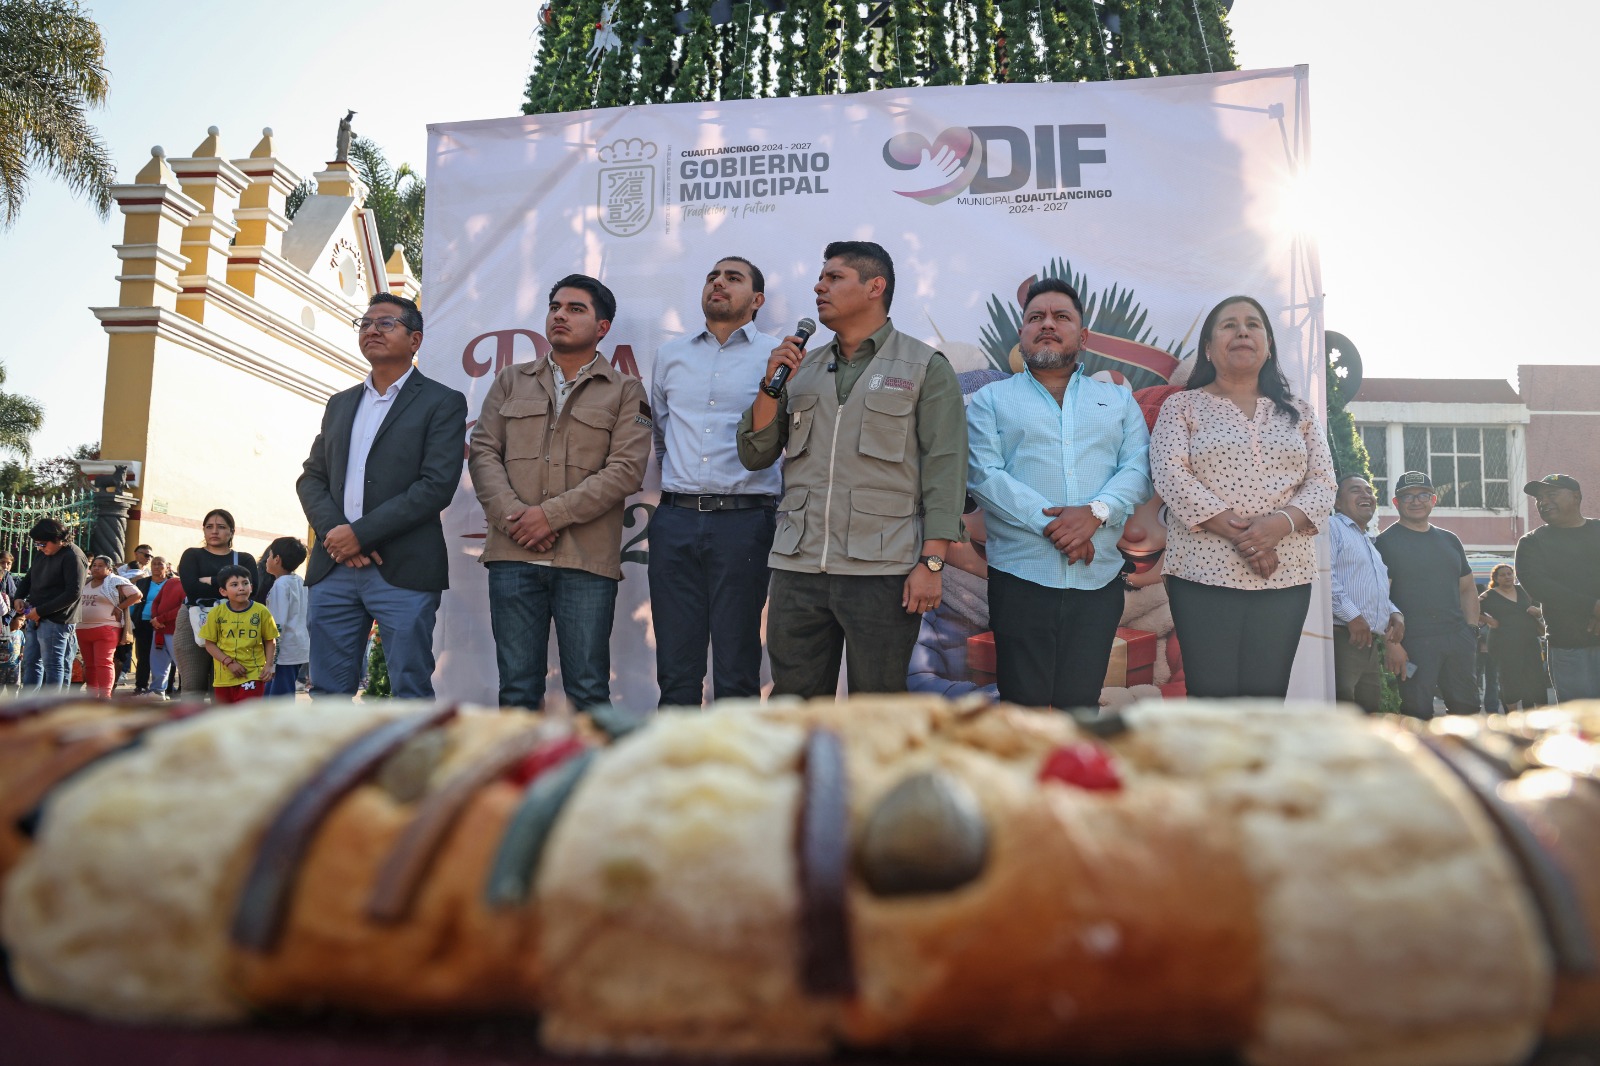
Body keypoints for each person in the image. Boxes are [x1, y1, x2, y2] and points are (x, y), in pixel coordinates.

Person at [737, 240, 967, 698]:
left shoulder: (924, 366)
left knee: (876, 710)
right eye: (821, 278)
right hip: (798, 566)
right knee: (794, 708)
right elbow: (755, 453)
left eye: (834, 277)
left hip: (882, 570)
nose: (819, 287)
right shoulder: (801, 367)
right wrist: (770, 383)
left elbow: (946, 468)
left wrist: (933, 562)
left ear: (874, 287)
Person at [966, 278, 1151, 709]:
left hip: (1098, 579)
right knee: (1022, 711)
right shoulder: (992, 399)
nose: (1047, 324)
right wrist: (1059, 526)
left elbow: (1138, 468)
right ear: (1022, 333)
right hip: (1020, 579)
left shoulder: (1118, 399)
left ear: (1082, 336)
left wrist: (1096, 512)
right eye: (1036, 318)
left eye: (1061, 317)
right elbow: (984, 474)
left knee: (1080, 709)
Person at [469, 274, 649, 711]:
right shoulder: (511, 380)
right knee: (516, 690)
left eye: (575, 308)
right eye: (555, 307)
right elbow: (482, 452)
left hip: (585, 561)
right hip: (513, 556)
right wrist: (517, 517)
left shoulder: (625, 390)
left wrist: (549, 516)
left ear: (603, 327)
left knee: (588, 689)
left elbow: (625, 471)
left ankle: (594, 780)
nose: (560, 316)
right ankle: (519, 780)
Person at [1149, 295, 1335, 700]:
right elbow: (1170, 473)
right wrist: (1249, 537)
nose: (1242, 331)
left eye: (1253, 324)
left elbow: (1324, 484)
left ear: (1268, 346)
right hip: (1202, 575)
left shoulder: (1299, 413)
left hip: (1283, 575)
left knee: (1264, 702)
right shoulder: (1183, 406)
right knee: (1212, 700)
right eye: (1228, 325)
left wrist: (1277, 526)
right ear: (1208, 348)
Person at [297, 292, 469, 699]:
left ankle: (410, 764)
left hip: (403, 567)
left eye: (386, 322)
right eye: (365, 323)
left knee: (409, 687)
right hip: (333, 565)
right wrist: (336, 534)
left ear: (415, 340)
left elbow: (436, 485)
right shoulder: (339, 404)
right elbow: (310, 479)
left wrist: (361, 534)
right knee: (326, 690)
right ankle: (341, 765)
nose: (372, 329)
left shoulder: (441, 402)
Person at [647, 257, 783, 707]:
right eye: (712, 277)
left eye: (733, 278)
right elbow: (663, 435)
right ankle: (674, 773)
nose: (718, 283)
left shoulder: (778, 356)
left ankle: (735, 773)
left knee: (737, 666)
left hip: (744, 522)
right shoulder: (671, 355)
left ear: (757, 299)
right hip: (675, 519)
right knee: (676, 667)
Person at [1374, 471, 1481, 716]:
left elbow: (1467, 588)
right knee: (1417, 714)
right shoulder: (1385, 543)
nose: (1416, 501)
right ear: (1396, 503)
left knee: (1467, 711)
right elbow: (1381, 598)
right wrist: (1392, 644)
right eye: (1407, 496)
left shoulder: (1450, 540)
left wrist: (1471, 630)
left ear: (1433, 500)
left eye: (1423, 495)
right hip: (1413, 643)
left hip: (1457, 638)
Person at [1516, 473, 1600, 701]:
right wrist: (1592, 607)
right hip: (1569, 646)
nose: (1543, 502)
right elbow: (1540, 586)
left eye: (1551, 494)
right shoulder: (1532, 542)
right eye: (1539, 498)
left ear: (1576, 496)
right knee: (1580, 725)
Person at [1327, 474, 1407, 713]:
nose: (1366, 495)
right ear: (1338, 503)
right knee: (1343, 718)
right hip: (1343, 638)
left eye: (1369, 490)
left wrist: (1395, 613)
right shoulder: (1332, 528)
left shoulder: (1368, 541)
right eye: (1355, 490)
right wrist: (1352, 616)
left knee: (1368, 716)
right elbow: (1323, 577)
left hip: (1369, 643)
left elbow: (1377, 590)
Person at [174, 509, 259, 698]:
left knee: (225, 683)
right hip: (193, 620)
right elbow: (192, 589)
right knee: (192, 684)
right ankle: (191, 726)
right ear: (203, 530)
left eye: (221, 527)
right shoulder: (192, 555)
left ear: (231, 531)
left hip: (234, 623)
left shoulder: (244, 558)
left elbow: (251, 591)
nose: (214, 531)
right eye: (209, 527)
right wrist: (231, 586)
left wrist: (210, 580)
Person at [14, 519, 89, 690]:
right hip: (35, 615)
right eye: (37, 544)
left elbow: (73, 593)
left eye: (42, 543)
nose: (39, 547)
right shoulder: (43, 553)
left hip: (57, 620)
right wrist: (18, 597)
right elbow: (29, 578)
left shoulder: (73, 556)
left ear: (58, 539)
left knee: (54, 666)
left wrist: (40, 611)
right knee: (31, 663)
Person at [198, 564, 278, 704]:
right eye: (234, 584)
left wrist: (269, 665)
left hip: (253, 674)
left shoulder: (261, 611)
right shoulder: (216, 613)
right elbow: (209, 644)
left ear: (251, 587)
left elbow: (270, 640)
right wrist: (229, 663)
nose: (241, 588)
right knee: (227, 720)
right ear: (223, 591)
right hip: (224, 678)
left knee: (248, 717)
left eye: (245, 583)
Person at [1478, 564, 1547, 710]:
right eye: (1502, 575)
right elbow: (1470, 608)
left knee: (1536, 679)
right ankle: (1512, 716)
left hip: (1529, 640)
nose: (1507, 576)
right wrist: (1489, 620)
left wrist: (1538, 612)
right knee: (1510, 679)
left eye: (1509, 573)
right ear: (1496, 578)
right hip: (1504, 643)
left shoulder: (1523, 590)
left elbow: (1541, 609)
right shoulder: (1489, 595)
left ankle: (1539, 717)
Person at [76, 555, 141, 698]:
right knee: (89, 664)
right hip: (83, 629)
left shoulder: (116, 581)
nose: (96, 568)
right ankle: (92, 695)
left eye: (100, 565)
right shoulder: (85, 582)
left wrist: (120, 607)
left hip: (106, 628)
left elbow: (137, 595)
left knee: (103, 662)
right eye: (94, 565)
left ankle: (105, 696)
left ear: (109, 569)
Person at [262, 537, 309, 697]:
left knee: (279, 697)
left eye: (269, 556)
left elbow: (276, 624)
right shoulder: (300, 581)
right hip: (296, 648)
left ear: (276, 559)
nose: (266, 560)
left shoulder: (281, 585)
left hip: (283, 653)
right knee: (275, 692)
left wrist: (271, 660)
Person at [146, 560, 185, 698]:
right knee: (158, 663)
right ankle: (157, 691)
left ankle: (189, 694)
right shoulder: (171, 582)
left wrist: (160, 619)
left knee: (182, 664)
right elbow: (156, 601)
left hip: (177, 630)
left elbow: (183, 608)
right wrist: (155, 618)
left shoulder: (192, 587)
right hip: (159, 630)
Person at [131, 557, 171, 694]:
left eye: (160, 564)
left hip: (166, 623)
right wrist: (130, 621)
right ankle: (141, 684)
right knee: (144, 655)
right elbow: (134, 601)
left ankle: (167, 687)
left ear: (167, 567)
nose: (156, 566)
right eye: (154, 564)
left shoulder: (172, 583)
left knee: (167, 655)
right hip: (144, 622)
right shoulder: (142, 582)